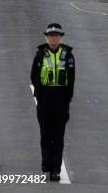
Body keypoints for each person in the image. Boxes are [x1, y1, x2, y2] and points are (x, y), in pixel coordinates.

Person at [30, 23, 75, 182]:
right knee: (45, 135)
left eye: (56, 35)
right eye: (51, 35)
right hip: (45, 100)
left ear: (61, 37)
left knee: (58, 136)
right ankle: (47, 166)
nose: (54, 38)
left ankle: (55, 169)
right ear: (46, 37)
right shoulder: (40, 54)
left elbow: (71, 78)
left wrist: (67, 100)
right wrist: (40, 95)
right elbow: (34, 76)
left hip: (61, 100)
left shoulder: (67, 54)